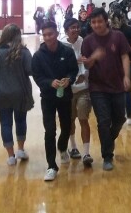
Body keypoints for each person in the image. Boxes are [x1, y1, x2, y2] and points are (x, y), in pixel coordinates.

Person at [81, 7, 131, 170]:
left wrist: (126, 76)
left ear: (106, 22)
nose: (96, 25)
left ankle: (108, 141)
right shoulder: (88, 41)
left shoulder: (118, 36)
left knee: (120, 119)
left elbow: (125, 56)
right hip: (97, 87)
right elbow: (87, 65)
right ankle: (107, 156)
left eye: (99, 21)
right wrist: (93, 58)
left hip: (117, 85)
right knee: (103, 121)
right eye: (93, 22)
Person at [31, 22, 79, 181]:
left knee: (66, 127)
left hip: (65, 97)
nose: (47, 37)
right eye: (44, 35)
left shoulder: (67, 50)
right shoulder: (38, 56)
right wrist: (49, 83)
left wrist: (69, 80)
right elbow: (37, 76)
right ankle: (51, 165)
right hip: (48, 98)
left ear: (56, 33)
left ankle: (63, 147)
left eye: (50, 34)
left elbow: (74, 70)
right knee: (49, 131)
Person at [0, 23, 34, 166]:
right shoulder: (24, 52)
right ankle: (20, 149)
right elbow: (31, 70)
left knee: (5, 124)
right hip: (20, 92)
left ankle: (10, 156)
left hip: (1, 92)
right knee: (21, 121)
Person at [61, 18, 93, 165]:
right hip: (68, 89)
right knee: (70, 120)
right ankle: (73, 147)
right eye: (72, 27)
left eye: (77, 27)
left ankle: (86, 153)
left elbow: (89, 62)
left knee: (83, 119)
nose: (76, 30)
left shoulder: (84, 42)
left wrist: (85, 73)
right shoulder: (61, 44)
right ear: (66, 30)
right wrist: (76, 61)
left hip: (84, 88)